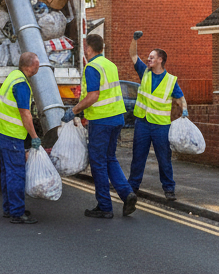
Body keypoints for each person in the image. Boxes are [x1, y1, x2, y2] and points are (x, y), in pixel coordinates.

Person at [66, 33, 138, 218]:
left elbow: (93, 96)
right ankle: (127, 193)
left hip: (101, 121)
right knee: (110, 158)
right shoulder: (110, 65)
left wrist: (74, 111)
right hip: (117, 118)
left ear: (89, 48)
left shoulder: (92, 67)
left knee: (98, 163)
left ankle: (105, 206)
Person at [127, 32, 185, 200]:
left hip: (161, 125)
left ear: (160, 59)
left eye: (152, 57)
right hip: (143, 123)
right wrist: (134, 40)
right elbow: (133, 54)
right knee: (138, 157)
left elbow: (180, 98)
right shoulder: (144, 72)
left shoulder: (170, 80)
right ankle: (132, 187)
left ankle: (169, 189)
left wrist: (185, 110)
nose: (148, 59)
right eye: (148, 57)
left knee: (164, 159)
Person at [0, 51, 43, 224]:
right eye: (37, 64)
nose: (39, 67)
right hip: (10, 134)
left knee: (7, 171)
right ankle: (17, 213)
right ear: (29, 66)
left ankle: (10, 208)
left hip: (0, 129)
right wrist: (34, 137)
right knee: (16, 172)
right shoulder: (21, 84)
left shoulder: (14, 75)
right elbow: (25, 113)